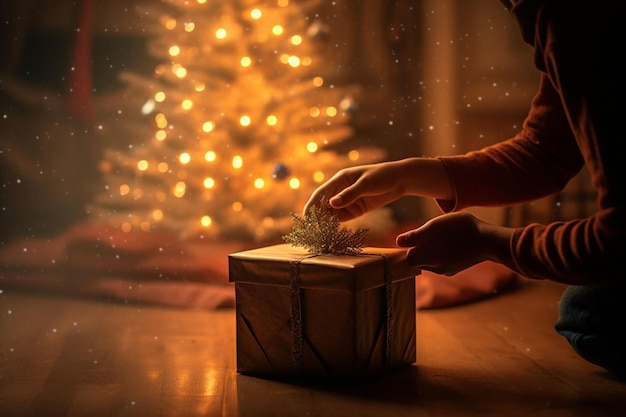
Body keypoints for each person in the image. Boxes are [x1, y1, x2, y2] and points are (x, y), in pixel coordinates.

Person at [304, 0, 625, 378]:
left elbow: (617, 241)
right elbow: (546, 150)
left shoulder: (575, 20)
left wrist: (489, 241)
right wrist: (409, 175)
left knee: (587, 314)